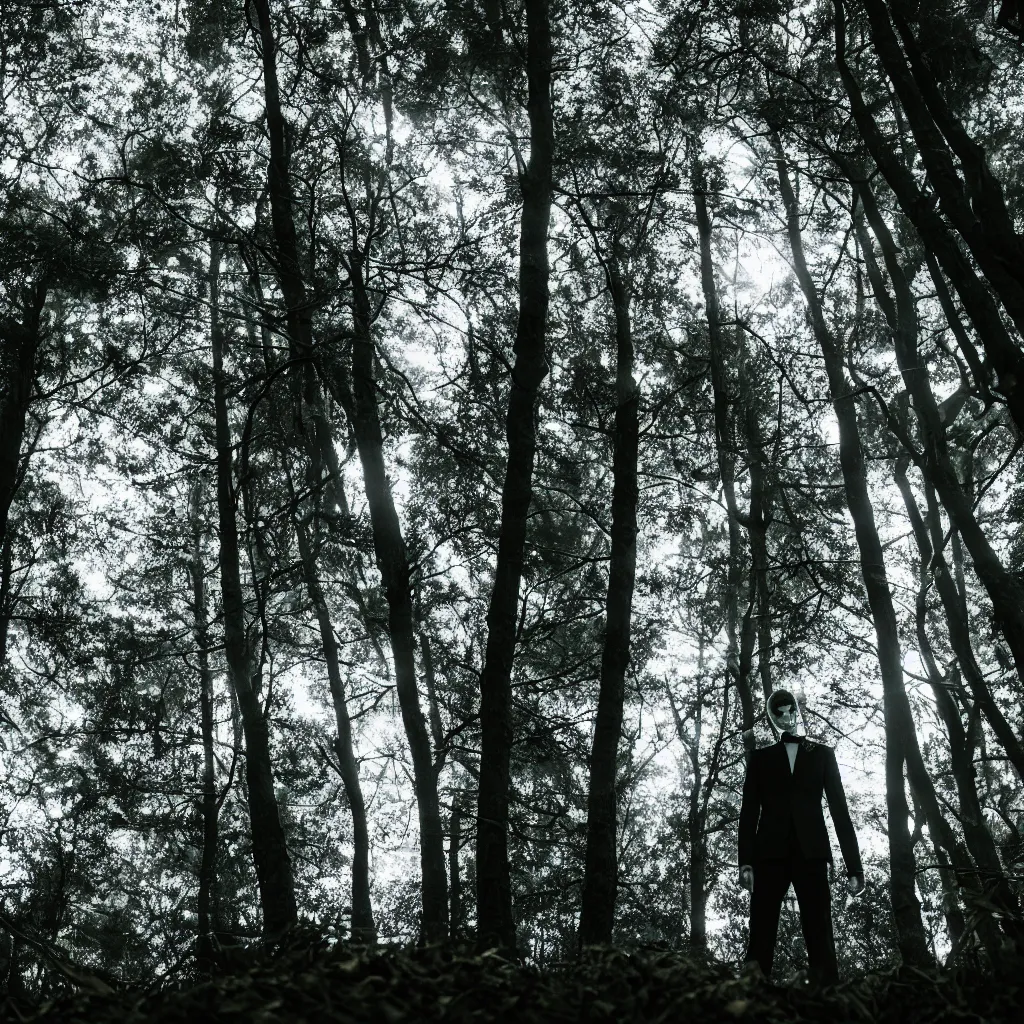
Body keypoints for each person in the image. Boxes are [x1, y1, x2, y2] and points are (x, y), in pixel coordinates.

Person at [738, 689, 864, 985]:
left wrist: (854, 866)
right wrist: (745, 862)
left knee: (820, 934)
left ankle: (830, 1004)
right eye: (777, 712)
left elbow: (840, 812)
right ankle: (750, 1002)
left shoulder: (823, 755)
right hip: (768, 855)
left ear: (797, 709)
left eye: (788, 709)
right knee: (760, 934)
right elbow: (748, 813)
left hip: (813, 855)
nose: (785, 716)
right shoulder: (760, 759)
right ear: (771, 718)